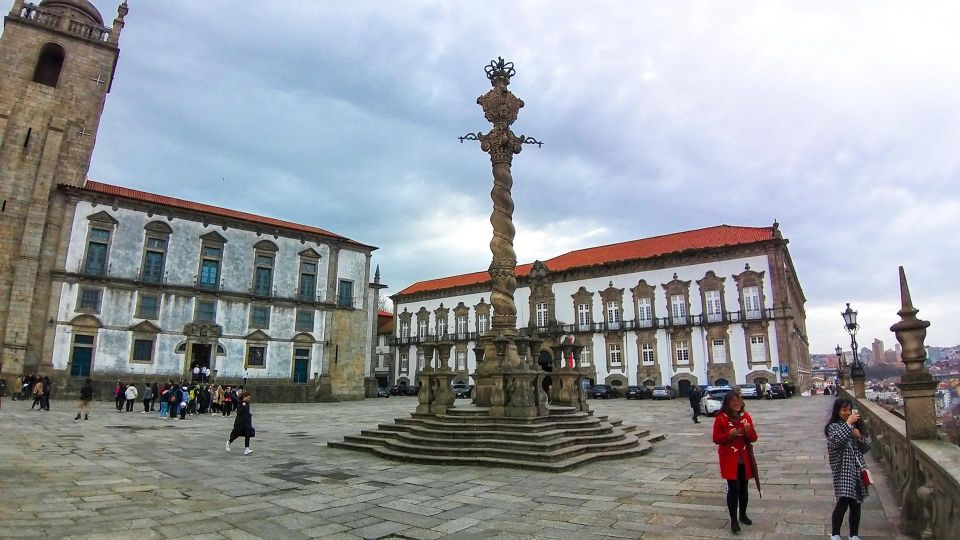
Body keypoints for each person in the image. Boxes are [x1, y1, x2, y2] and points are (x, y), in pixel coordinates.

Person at [712, 389, 758, 534]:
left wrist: (747, 431)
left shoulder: (746, 417)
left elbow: (754, 437)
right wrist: (730, 435)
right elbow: (716, 439)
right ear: (728, 403)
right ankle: (733, 520)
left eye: (739, 401)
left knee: (744, 488)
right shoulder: (721, 418)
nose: (737, 403)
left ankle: (743, 515)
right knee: (733, 488)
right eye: (734, 401)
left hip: (744, 458)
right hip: (729, 459)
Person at [825, 399, 871, 540]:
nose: (847, 413)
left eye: (849, 410)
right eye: (844, 410)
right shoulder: (833, 427)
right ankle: (836, 534)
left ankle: (854, 535)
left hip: (856, 471)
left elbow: (866, 447)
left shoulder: (855, 427)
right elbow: (836, 441)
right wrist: (848, 424)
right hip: (842, 471)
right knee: (843, 502)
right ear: (838, 411)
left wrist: (859, 436)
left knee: (856, 504)